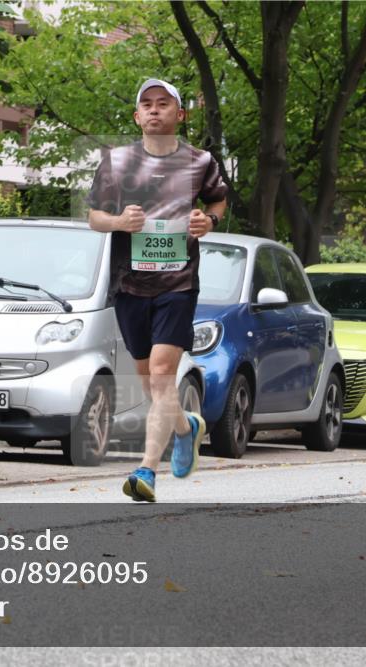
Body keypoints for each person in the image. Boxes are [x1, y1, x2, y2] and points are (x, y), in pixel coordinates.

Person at [86, 78, 227, 501]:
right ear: (136, 116)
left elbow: (218, 201)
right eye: (145, 104)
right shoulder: (117, 162)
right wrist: (118, 222)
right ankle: (186, 428)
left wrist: (210, 221)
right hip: (130, 284)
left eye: (162, 104)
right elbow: (94, 216)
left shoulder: (201, 162)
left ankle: (146, 470)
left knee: (164, 375)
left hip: (178, 283)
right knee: (152, 385)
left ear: (179, 114)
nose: (153, 110)